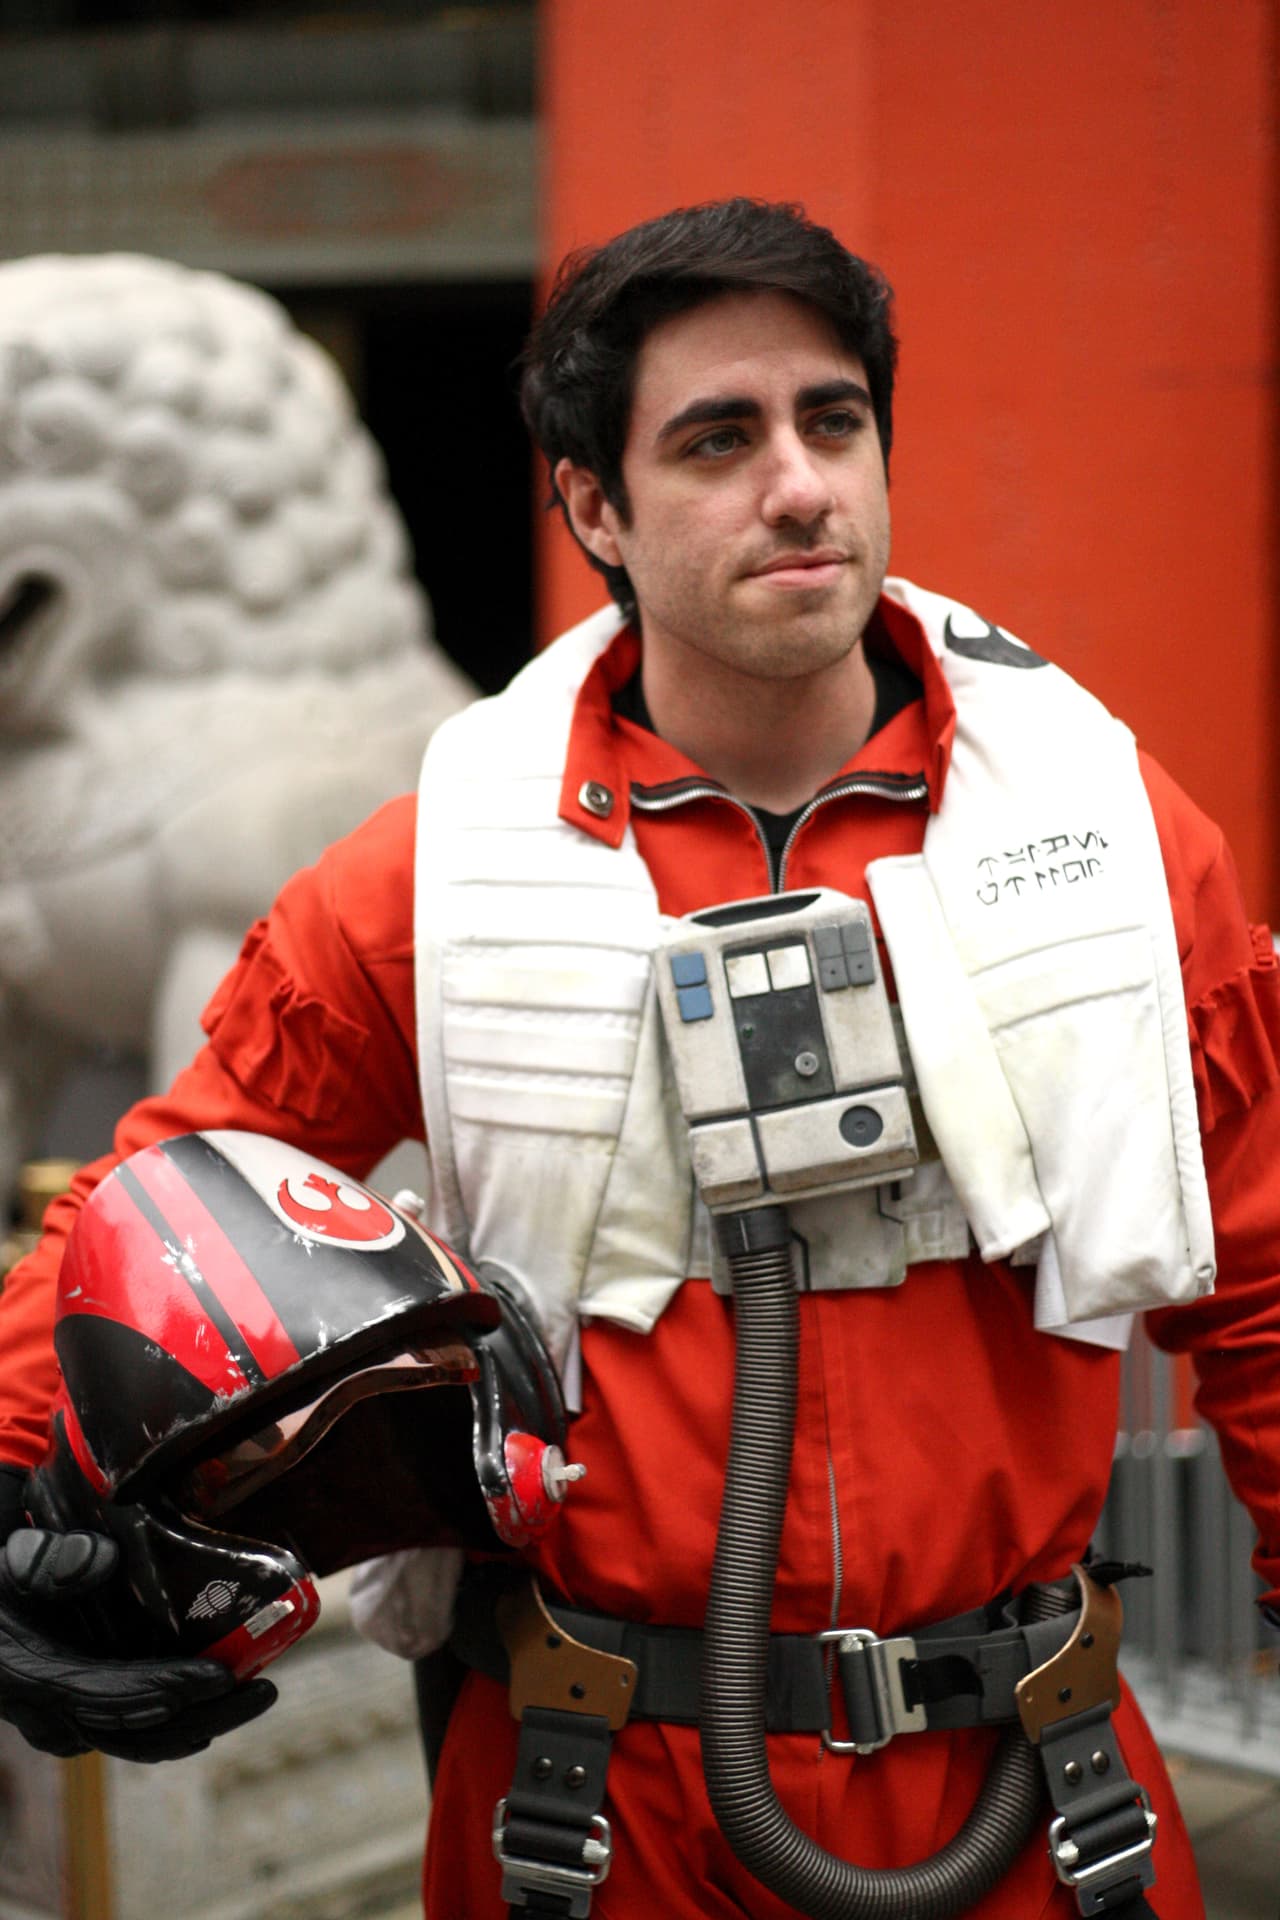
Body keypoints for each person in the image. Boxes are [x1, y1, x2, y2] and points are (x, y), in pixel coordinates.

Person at [0, 197, 1277, 1920]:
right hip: (597, 1817)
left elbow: (1263, 1258)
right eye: (719, 439)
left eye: (835, 421)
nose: (802, 483)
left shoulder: (1110, 842)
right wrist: (12, 1509)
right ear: (593, 503)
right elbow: (158, 1202)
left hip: (1031, 1804)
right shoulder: (433, 879)